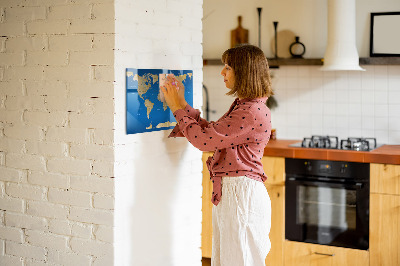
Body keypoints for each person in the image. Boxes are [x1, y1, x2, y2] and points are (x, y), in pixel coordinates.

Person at [161, 44, 273, 266]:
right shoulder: (246, 106)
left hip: (241, 195)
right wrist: (182, 104)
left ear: (244, 72)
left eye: (228, 67)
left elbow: (204, 141)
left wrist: (176, 107)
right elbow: (212, 133)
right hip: (236, 193)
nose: (222, 72)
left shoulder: (250, 111)